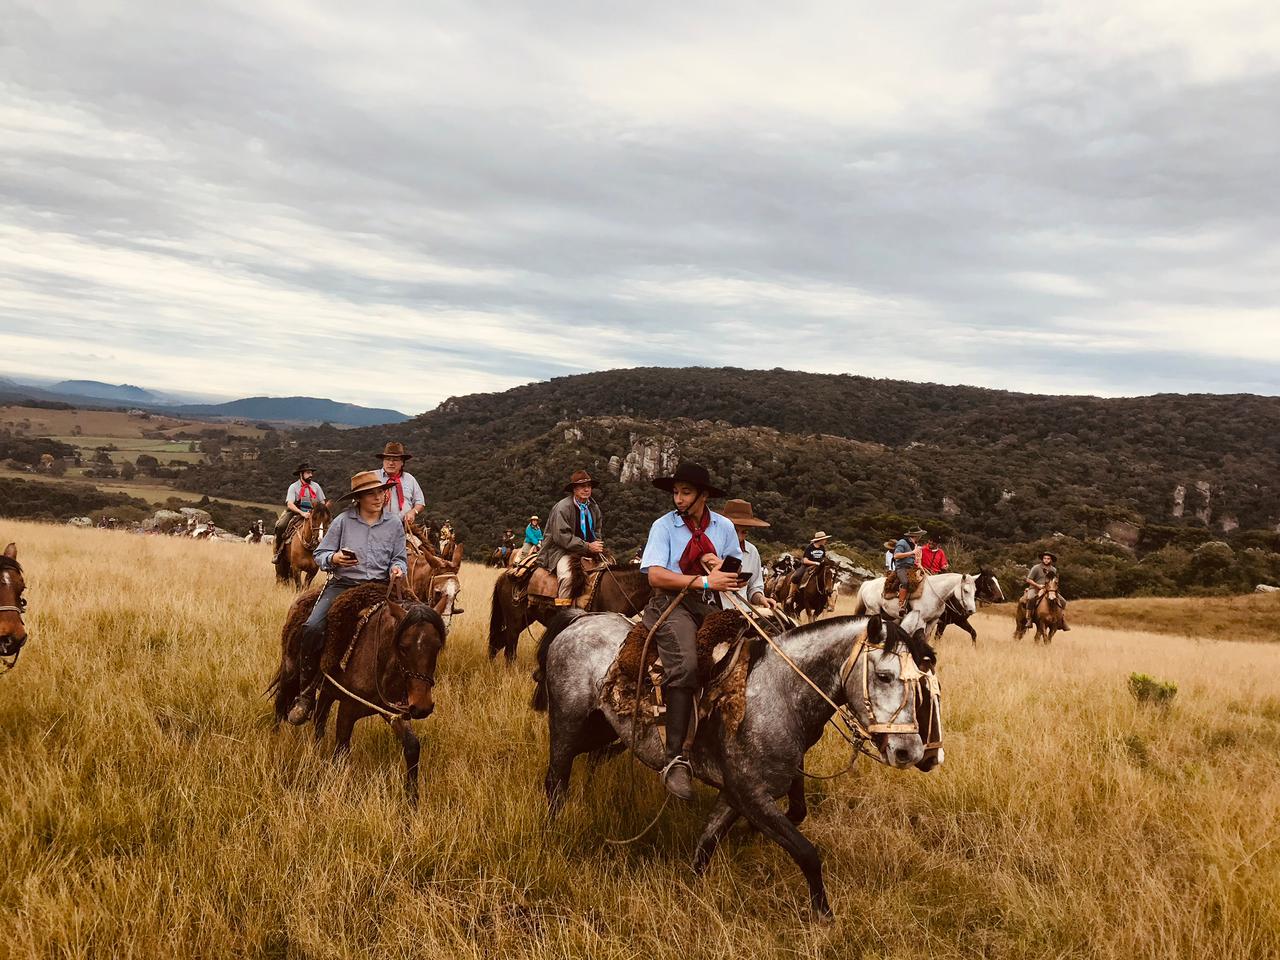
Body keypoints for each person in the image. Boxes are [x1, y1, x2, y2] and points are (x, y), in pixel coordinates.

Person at [639, 462, 743, 801]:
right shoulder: (663, 526)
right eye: (675, 492)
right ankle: (676, 759)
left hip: (709, 603)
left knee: (747, 655)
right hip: (670, 603)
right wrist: (704, 579)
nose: (678, 498)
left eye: (685, 492)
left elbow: (734, 569)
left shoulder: (724, 526)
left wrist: (720, 565)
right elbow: (655, 576)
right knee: (685, 665)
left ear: (703, 495)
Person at [286, 471, 408, 724]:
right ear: (359, 498)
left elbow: (399, 557)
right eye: (372, 493)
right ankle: (307, 694)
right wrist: (334, 559)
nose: (379, 497)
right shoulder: (343, 521)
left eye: (381, 492)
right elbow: (320, 553)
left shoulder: (395, 524)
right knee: (312, 626)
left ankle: (405, 689)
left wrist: (398, 568)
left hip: (380, 587)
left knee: (417, 624)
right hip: (344, 585)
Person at [538, 469, 604, 606]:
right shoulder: (562, 508)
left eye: (589, 486)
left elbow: (596, 531)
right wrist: (587, 546)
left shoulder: (594, 507)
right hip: (561, 550)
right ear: (574, 489)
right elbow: (561, 537)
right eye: (582, 486)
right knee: (567, 577)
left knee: (608, 570)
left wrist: (596, 545)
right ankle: (564, 613)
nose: (586, 489)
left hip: (587, 549)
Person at [721, 498, 777, 610]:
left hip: (743, 613)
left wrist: (761, 598)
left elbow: (754, 588)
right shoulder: (710, 547)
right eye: (734, 531)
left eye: (744, 532)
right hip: (714, 613)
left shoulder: (752, 551)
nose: (739, 537)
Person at [272, 462, 325, 564]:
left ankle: (326, 555)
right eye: (308, 473)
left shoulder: (316, 486)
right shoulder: (293, 487)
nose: (311, 475)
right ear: (301, 474)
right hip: (296, 512)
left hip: (313, 513)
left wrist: (318, 512)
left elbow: (322, 502)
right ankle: (278, 553)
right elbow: (290, 504)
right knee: (281, 526)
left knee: (327, 527)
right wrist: (302, 513)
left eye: (311, 473)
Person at [374, 442, 425, 534]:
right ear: (383, 461)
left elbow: (420, 502)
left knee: (425, 547)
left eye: (395, 460)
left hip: (404, 528)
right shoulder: (372, 477)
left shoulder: (409, 479)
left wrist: (413, 512)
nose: (391, 463)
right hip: (376, 527)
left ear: (402, 462)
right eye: (387, 459)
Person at [1019, 551, 1070, 631]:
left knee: (1063, 601)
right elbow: (1028, 579)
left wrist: (1053, 587)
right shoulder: (1036, 568)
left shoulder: (1053, 569)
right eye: (1045, 558)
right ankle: (1029, 619)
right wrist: (1038, 585)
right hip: (1035, 588)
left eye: (1048, 559)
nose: (1046, 560)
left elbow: (1055, 581)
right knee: (1031, 598)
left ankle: (1061, 620)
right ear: (1042, 559)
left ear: (1051, 560)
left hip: (1049, 589)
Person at [787, 531, 832, 606]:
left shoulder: (822, 548)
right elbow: (805, 560)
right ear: (820, 540)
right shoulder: (810, 547)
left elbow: (823, 558)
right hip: (807, 566)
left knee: (826, 577)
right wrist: (815, 563)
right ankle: (791, 595)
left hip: (819, 566)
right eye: (824, 539)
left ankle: (827, 600)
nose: (825, 541)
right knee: (796, 576)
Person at [891, 527, 927, 615]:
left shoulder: (915, 544)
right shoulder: (902, 542)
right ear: (916, 535)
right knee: (905, 582)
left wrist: (920, 566)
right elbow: (896, 556)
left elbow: (916, 559)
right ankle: (901, 605)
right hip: (902, 567)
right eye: (920, 535)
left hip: (912, 568)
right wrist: (912, 552)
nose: (921, 536)